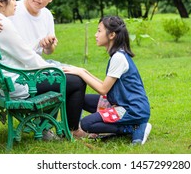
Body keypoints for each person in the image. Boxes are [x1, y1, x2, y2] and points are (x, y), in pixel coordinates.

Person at [0, 0, 88, 139]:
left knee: (61, 77)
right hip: (18, 84)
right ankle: (72, 130)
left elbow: (21, 52)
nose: (15, 3)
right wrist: (54, 71)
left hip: (9, 80)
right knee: (76, 82)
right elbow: (28, 57)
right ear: (1, 2)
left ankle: (46, 125)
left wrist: (49, 61)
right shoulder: (2, 23)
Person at [63, 16, 152, 145]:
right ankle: (72, 131)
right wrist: (82, 71)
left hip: (132, 109)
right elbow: (106, 85)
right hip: (122, 103)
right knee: (78, 99)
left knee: (87, 123)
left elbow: (103, 89)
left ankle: (133, 128)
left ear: (111, 35)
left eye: (99, 31)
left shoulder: (118, 58)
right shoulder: (117, 55)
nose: (95, 35)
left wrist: (81, 73)